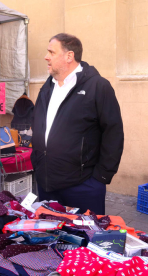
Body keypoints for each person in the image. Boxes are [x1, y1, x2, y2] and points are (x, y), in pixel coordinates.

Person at [31, 33, 124, 215]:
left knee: (85, 238)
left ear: (69, 56)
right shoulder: (47, 87)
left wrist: (101, 177)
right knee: (50, 237)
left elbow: (113, 132)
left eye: (51, 52)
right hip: (47, 184)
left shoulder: (98, 86)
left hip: (83, 186)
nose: (46, 57)